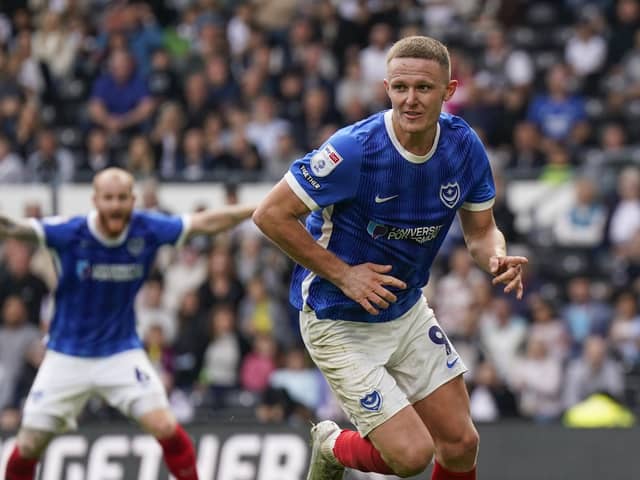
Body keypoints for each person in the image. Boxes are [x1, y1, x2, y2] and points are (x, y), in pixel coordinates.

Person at [253, 35, 527, 480]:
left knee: (461, 444)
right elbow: (269, 214)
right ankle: (332, 444)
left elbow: (481, 232)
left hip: (405, 311)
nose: (410, 99)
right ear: (386, 88)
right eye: (400, 88)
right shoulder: (356, 149)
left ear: (449, 90)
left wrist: (495, 258)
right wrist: (345, 275)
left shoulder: (463, 147)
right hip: (337, 316)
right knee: (411, 456)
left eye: (423, 88)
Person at [1, 167, 255, 480]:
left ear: (133, 200)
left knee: (165, 426)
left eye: (122, 198)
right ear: (95, 200)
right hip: (66, 356)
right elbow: (13, 228)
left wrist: (257, 208)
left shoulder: (146, 229)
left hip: (121, 352)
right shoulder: (70, 232)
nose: (116, 205)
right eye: (108, 198)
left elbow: (205, 223)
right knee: (28, 445)